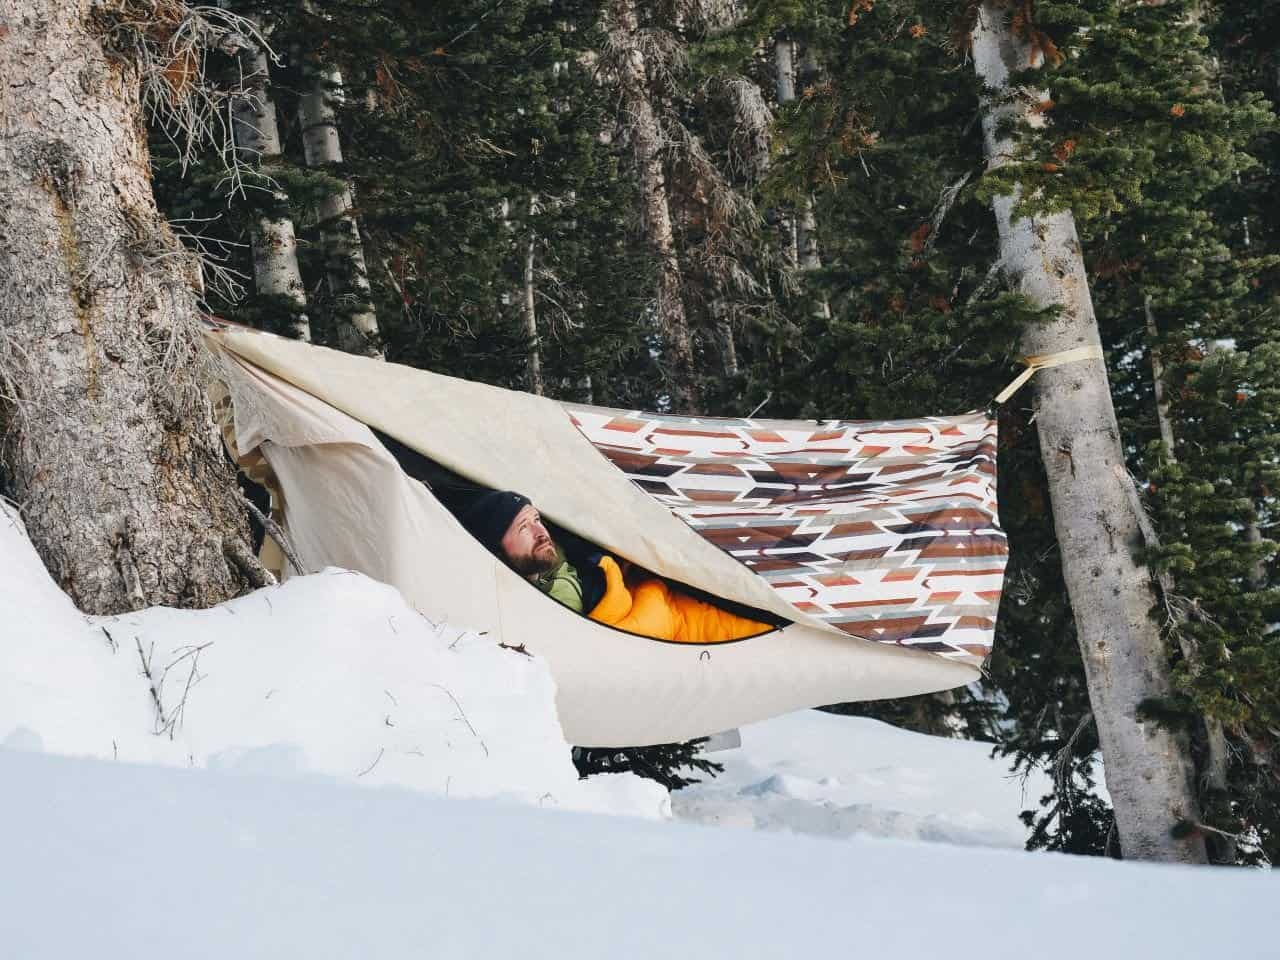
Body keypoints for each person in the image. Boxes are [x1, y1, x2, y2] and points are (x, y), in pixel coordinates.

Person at [459, 490, 771, 644]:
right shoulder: (521, 606)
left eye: (537, 519)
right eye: (523, 528)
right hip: (650, 623)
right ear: (496, 549)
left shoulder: (564, 546)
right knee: (764, 627)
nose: (542, 533)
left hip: (651, 584)